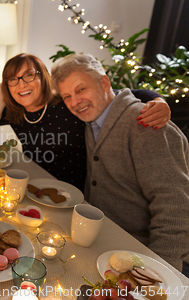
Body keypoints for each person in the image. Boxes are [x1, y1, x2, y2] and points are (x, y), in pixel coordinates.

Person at [51, 53, 189, 271]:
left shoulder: (146, 124)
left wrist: (161, 272)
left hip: (139, 254)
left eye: (81, 89)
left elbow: (175, 208)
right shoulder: (91, 120)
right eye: (67, 96)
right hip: (101, 242)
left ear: (104, 82)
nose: (75, 102)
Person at [0, 53, 169, 190]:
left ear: (43, 77)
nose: (21, 84)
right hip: (34, 189)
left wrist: (158, 100)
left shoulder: (69, 104)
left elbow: (117, 94)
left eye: (28, 75)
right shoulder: (12, 114)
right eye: (13, 79)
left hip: (76, 196)